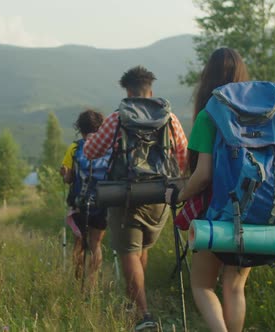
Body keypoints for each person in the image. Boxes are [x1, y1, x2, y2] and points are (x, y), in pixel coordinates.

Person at [84, 66, 188, 330]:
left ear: (128, 92)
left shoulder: (117, 118)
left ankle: (143, 315)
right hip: (159, 196)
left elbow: (93, 151)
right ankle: (134, 305)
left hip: (125, 194)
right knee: (141, 250)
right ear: (150, 91)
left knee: (128, 252)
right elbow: (183, 157)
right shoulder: (170, 119)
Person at [171, 48, 268, 332]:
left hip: (218, 212)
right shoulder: (261, 114)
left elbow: (202, 176)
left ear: (208, 78)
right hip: (256, 210)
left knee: (202, 286)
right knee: (235, 289)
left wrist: (180, 195)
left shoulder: (209, 115)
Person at [60, 109, 111, 286]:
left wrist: (65, 174)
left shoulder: (75, 148)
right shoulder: (110, 147)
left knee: (79, 242)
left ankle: (78, 282)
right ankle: (92, 282)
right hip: (103, 202)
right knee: (95, 243)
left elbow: (68, 179)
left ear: (80, 128)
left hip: (79, 203)